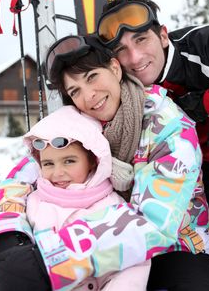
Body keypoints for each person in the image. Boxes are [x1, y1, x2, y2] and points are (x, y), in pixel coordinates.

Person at [0, 35, 209, 291]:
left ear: (114, 68)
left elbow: (154, 221)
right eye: (75, 91)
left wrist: (50, 261)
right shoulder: (76, 126)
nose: (89, 96)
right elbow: (19, 179)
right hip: (98, 250)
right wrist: (10, 234)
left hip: (176, 248)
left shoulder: (169, 125)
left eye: (92, 77)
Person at [97, 0, 209, 239]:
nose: (135, 58)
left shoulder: (208, 45)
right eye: (122, 50)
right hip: (198, 174)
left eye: (142, 40)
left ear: (163, 36)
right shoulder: (119, 86)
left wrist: (206, 103)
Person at [24, 105, 150, 290]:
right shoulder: (33, 203)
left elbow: (134, 263)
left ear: (93, 160)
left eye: (69, 161)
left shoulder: (113, 206)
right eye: (48, 163)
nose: (58, 172)